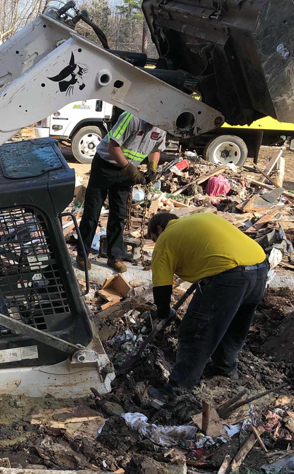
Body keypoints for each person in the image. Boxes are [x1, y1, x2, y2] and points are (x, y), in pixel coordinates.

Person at [148, 211, 268, 394]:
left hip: (230, 275)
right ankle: (225, 368)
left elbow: (162, 287)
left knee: (197, 330)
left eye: (154, 238)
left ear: (159, 229)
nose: (156, 242)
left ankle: (176, 390)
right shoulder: (199, 219)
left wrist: (164, 313)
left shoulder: (165, 240)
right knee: (234, 324)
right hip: (259, 267)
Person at [77, 112, 166, 273]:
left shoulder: (162, 127)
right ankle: (82, 255)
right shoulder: (132, 118)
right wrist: (130, 169)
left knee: (119, 214)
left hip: (126, 171)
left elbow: (156, 149)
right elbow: (113, 147)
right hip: (105, 165)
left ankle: (114, 256)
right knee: (92, 211)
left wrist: (152, 166)